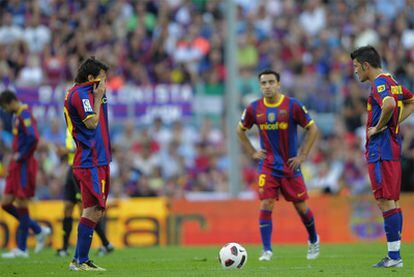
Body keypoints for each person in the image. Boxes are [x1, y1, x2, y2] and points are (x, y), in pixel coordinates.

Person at [237, 70, 320, 261]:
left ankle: (313, 239)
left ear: (278, 84)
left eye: (271, 82)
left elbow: (312, 128)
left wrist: (303, 155)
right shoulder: (253, 108)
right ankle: (267, 250)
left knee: (301, 207)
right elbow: (240, 130)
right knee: (266, 203)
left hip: (290, 166)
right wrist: (251, 152)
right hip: (268, 165)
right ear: (260, 86)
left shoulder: (293, 105)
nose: (267, 86)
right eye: (263, 83)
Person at [350, 45, 414, 268]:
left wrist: (378, 127)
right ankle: (394, 255)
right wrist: (394, 122)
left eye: (357, 67)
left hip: (381, 149)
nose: (355, 71)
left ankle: (394, 257)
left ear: (366, 65)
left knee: (385, 200)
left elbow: (387, 104)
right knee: (391, 201)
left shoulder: (378, 84)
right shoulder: (391, 81)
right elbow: (411, 101)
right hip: (392, 148)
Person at [63, 57, 111, 271]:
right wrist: (99, 96)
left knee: (95, 210)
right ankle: (80, 260)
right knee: (93, 209)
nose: (105, 84)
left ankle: (79, 259)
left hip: (97, 158)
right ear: (91, 78)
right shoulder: (81, 95)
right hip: (90, 160)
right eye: (102, 79)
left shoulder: (85, 92)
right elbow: (91, 123)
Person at [0, 89, 50, 258]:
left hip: (23, 164)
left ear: (10, 102)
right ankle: (37, 229)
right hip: (16, 165)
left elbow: (34, 138)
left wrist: (21, 155)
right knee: (6, 203)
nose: (5, 111)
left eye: (5, 107)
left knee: (21, 203)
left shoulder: (24, 114)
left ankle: (22, 249)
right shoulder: (17, 116)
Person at [56, 129, 114, 257]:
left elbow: (85, 145)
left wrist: (67, 151)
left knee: (85, 209)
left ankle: (104, 243)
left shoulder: (81, 122)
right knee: (67, 207)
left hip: (82, 167)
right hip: (71, 169)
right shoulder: (68, 128)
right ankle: (64, 248)